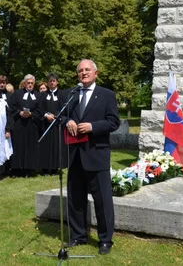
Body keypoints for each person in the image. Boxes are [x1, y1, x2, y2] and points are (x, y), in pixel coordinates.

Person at [63, 59, 120, 255]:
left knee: (102, 200)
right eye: (80, 71)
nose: (83, 73)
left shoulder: (106, 95)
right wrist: (68, 121)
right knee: (75, 198)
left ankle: (105, 240)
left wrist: (92, 127)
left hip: (96, 155)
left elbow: (114, 122)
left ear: (95, 73)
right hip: (75, 155)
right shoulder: (71, 94)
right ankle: (78, 236)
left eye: (87, 70)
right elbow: (61, 116)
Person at [9, 74, 41, 177]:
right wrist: (19, 112)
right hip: (19, 124)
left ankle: (29, 170)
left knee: (30, 147)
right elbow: (11, 106)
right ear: (25, 83)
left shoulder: (38, 95)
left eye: (32, 83)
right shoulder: (17, 93)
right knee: (18, 145)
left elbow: (40, 110)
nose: (30, 85)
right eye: (28, 83)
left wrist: (32, 114)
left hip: (31, 125)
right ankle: (16, 169)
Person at [38, 73, 67, 175]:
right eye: (50, 81)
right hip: (46, 124)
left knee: (56, 147)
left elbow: (64, 108)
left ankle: (55, 168)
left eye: (53, 81)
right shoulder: (43, 95)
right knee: (46, 147)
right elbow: (40, 108)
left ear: (57, 82)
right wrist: (46, 115)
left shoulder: (62, 94)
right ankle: (45, 168)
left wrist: (56, 116)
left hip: (57, 125)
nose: (52, 82)